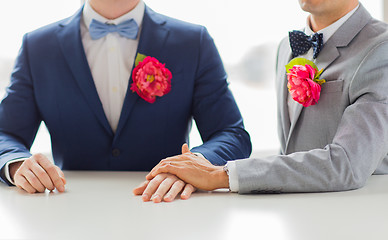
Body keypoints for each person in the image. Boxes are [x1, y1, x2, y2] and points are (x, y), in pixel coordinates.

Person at [0, 0, 252, 198]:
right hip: (69, 208)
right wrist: (16, 164)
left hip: (167, 208)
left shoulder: (193, 42)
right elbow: (5, 134)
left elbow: (231, 133)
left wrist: (194, 166)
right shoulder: (38, 46)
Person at [142, 0, 388, 196]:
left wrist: (220, 176)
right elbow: (290, 152)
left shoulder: (381, 49)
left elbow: (348, 164)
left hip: (354, 217)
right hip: (299, 217)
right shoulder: (288, 48)